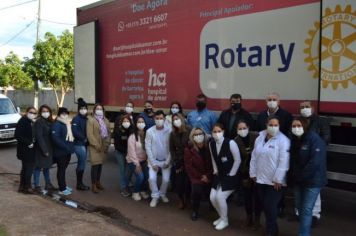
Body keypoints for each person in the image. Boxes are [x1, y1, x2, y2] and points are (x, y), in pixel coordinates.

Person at [250, 116, 290, 236]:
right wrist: (252, 173)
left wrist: (278, 179)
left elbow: (284, 161)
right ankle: (273, 228)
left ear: (279, 126)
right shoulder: (260, 137)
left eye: (275, 125)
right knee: (266, 206)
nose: (273, 127)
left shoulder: (284, 140)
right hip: (260, 179)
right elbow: (254, 156)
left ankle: (271, 231)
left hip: (275, 182)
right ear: (266, 124)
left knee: (270, 206)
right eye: (270, 125)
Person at [289, 117, 327, 236]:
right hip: (298, 180)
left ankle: (304, 234)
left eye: (299, 125)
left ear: (305, 126)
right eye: (294, 126)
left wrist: (301, 176)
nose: (296, 128)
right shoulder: (295, 140)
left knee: (306, 210)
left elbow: (315, 162)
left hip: (313, 181)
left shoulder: (314, 139)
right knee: (300, 208)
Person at [299, 100, 330, 224]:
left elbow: (326, 138)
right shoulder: (298, 121)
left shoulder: (321, 121)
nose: (304, 109)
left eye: (307, 106)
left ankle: (315, 215)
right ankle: (301, 214)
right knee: (301, 187)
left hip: (314, 157)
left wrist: (314, 149)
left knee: (313, 187)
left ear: (312, 108)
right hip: (301, 157)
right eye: (302, 107)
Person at [209, 123, 241, 230]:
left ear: (223, 131)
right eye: (214, 132)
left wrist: (232, 174)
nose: (217, 134)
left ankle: (225, 221)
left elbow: (237, 160)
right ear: (211, 133)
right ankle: (222, 217)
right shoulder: (211, 144)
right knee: (212, 197)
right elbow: (213, 158)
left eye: (219, 131)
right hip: (219, 175)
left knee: (220, 197)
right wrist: (215, 170)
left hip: (231, 175)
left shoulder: (230, 143)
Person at [234, 120, 261, 230]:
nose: (242, 130)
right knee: (247, 197)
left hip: (258, 172)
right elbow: (237, 159)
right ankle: (249, 218)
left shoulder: (256, 136)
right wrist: (244, 174)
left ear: (248, 128)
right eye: (240, 129)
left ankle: (257, 220)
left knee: (257, 197)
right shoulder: (235, 141)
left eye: (244, 128)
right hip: (245, 173)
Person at [184, 127, 212, 221]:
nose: (198, 136)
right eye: (196, 134)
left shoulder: (209, 147)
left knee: (212, 189)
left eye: (200, 134)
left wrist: (208, 176)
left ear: (204, 135)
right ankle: (195, 210)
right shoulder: (189, 149)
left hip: (209, 174)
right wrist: (201, 177)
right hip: (196, 176)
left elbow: (213, 164)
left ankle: (212, 206)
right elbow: (189, 167)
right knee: (197, 190)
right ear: (192, 137)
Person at [145, 110, 172, 207]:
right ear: (154, 119)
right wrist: (153, 163)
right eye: (157, 118)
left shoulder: (169, 131)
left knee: (166, 180)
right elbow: (147, 147)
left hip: (166, 160)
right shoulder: (149, 131)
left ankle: (162, 194)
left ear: (164, 119)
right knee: (152, 178)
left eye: (161, 118)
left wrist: (168, 161)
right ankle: (155, 196)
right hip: (154, 160)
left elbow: (172, 148)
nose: (159, 120)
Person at [87, 104, 111, 193]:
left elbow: (108, 133)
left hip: (103, 146)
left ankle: (98, 182)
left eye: (101, 109)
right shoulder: (91, 120)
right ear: (94, 110)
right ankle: (93, 185)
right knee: (95, 165)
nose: (99, 110)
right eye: (97, 108)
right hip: (95, 146)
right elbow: (90, 134)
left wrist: (107, 144)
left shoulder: (106, 120)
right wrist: (96, 145)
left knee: (100, 165)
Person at [169, 113, 191, 209]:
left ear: (182, 119)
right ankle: (180, 200)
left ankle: (188, 199)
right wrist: (175, 161)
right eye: (174, 120)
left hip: (189, 160)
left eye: (177, 119)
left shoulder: (189, 130)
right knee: (179, 183)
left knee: (188, 182)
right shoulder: (172, 134)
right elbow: (172, 149)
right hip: (178, 161)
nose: (176, 121)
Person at [52, 107, 75, 196]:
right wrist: (65, 147)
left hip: (67, 151)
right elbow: (55, 138)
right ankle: (62, 188)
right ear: (59, 114)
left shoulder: (67, 124)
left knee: (63, 169)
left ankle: (64, 186)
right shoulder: (57, 124)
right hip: (60, 152)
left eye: (66, 114)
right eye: (63, 114)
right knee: (61, 170)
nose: (65, 115)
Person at [126, 116, 150, 201]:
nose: (141, 124)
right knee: (140, 177)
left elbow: (149, 149)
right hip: (133, 161)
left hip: (144, 160)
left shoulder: (147, 135)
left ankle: (142, 190)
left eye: (142, 122)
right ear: (135, 124)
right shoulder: (132, 136)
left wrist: (148, 160)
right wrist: (137, 164)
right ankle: (135, 192)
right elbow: (131, 152)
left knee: (147, 176)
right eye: (138, 122)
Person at [33, 104, 56, 192]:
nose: (45, 113)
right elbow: (39, 137)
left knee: (47, 166)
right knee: (38, 167)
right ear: (40, 112)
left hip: (49, 147)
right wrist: (44, 150)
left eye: (47, 111)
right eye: (43, 111)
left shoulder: (50, 121)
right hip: (41, 148)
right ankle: (36, 185)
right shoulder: (39, 122)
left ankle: (48, 184)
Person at [15, 106, 37, 194]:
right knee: (29, 168)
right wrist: (28, 143)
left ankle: (22, 186)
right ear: (27, 112)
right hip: (26, 149)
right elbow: (17, 135)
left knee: (25, 168)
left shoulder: (29, 121)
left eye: (34, 113)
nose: (33, 114)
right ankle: (27, 187)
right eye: (31, 112)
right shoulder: (23, 121)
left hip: (26, 149)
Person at [72, 98, 90, 191]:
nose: (83, 110)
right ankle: (79, 184)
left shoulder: (86, 118)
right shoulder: (76, 119)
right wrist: (84, 138)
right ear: (79, 109)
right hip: (79, 144)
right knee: (82, 164)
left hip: (84, 144)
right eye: (81, 108)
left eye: (85, 108)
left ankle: (80, 183)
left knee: (81, 163)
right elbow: (75, 132)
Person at [113, 114, 133, 197]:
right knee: (122, 170)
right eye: (124, 121)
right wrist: (127, 152)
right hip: (120, 153)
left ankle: (127, 184)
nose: (126, 123)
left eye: (127, 121)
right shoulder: (118, 131)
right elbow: (117, 145)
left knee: (129, 170)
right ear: (121, 123)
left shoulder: (132, 130)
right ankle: (123, 188)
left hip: (129, 153)